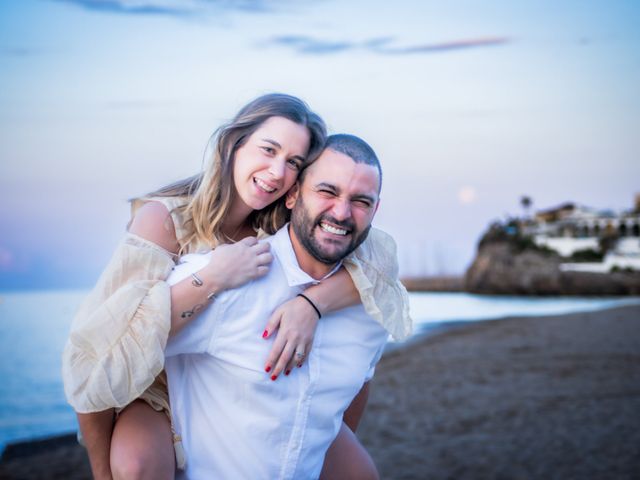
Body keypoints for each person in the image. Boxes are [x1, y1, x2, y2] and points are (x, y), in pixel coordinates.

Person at [62, 95, 412, 479]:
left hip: (230, 377)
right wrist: (213, 277)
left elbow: (380, 264)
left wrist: (311, 304)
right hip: (151, 382)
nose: (277, 172)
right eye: (268, 149)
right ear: (234, 144)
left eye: (294, 162)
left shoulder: (279, 218)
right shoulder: (165, 219)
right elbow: (102, 347)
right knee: (133, 465)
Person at [164, 134, 395, 479]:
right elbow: (112, 352)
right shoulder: (223, 281)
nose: (342, 212)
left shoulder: (371, 310)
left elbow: (355, 389)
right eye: (327, 192)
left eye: (361, 201)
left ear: (375, 210)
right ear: (292, 194)